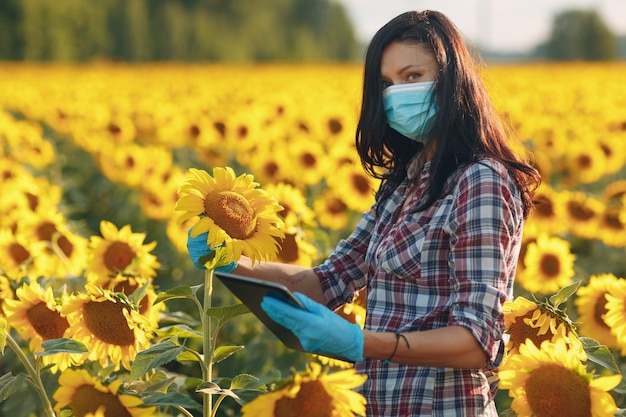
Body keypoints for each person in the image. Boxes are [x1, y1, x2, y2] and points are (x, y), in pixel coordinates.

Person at [187, 9, 540, 416]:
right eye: (387, 84)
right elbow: (326, 282)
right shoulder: (405, 182)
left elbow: (479, 341)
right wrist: (228, 261)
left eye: (412, 77)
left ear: (453, 80)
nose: (397, 94)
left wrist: (363, 343)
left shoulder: (481, 181)